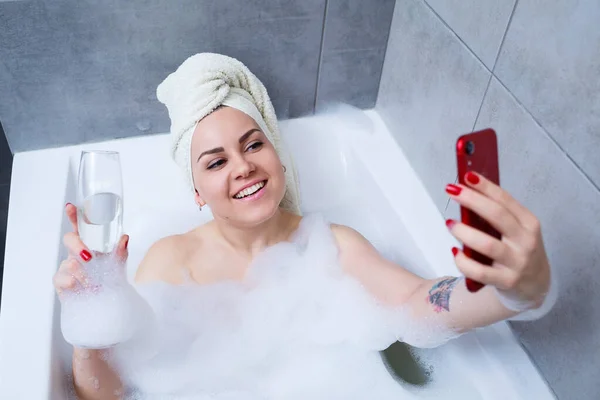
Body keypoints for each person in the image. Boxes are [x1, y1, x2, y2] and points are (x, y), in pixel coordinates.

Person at [53, 54, 554, 400]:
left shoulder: (331, 244)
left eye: (253, 145)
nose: (243, 167)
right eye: (215, 162)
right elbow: (110, 391)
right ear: (196, 192)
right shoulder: (171, 258)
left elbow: (416, 304)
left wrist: (512, 294)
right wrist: (92, 323)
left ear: (278, 156)